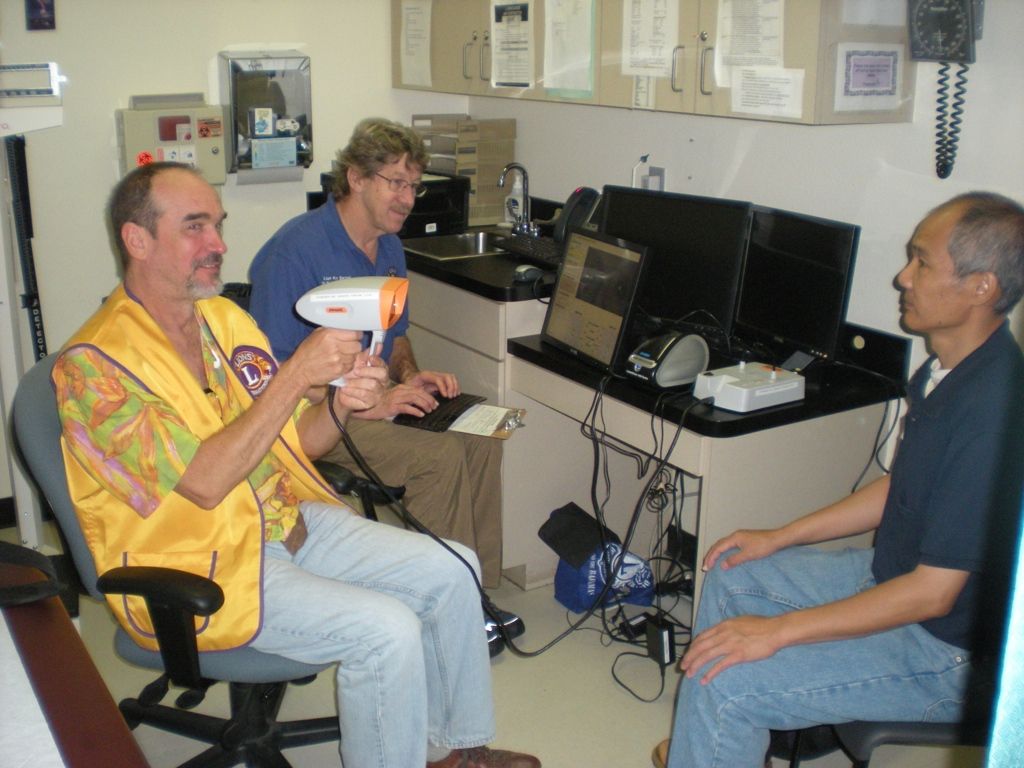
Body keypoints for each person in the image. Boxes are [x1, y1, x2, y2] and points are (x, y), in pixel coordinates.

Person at [52, 162, 540, 768]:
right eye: (195, 227)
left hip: (285, 522)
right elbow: (204, 484)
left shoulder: (224, 321)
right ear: (137, 239)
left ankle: (456, 752)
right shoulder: (94, 368)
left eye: (219, 225)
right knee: (384, 631)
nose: (219, 245)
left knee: (454, 567)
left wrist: (341, 401)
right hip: (197, 567)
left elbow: (298, 443)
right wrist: (296, 375)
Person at [655, 192, 1024, 767]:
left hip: (950, 655)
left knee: (723, 683)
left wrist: (777, 634)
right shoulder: (944, 370)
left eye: (922, 263)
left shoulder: (997, 411)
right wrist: (778, 536)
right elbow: (900, 487)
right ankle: (720, 746)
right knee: (732, 568)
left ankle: (724, 720)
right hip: (892, 578)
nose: (903, 278)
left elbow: (933, 593)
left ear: (982, 287)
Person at [248, 117, 520, 647]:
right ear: (355, 178)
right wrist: (364, 404)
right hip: (317, 419)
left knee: (481, 434)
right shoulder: (294, 252)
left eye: (414, 185)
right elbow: (270, 381)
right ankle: (444, 611)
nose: (408, 198)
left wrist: (413, 378)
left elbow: (395, 340)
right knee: (437, 459)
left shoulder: (389, 247)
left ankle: (476, 594)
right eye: (395, 182)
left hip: (375, 398)